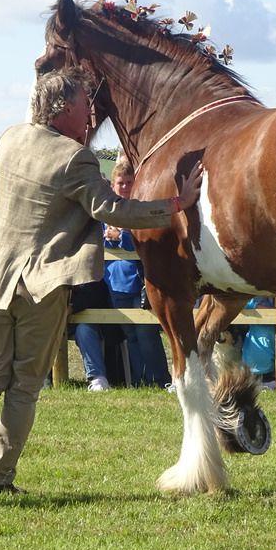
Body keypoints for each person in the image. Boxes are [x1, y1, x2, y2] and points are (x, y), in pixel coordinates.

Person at [0, 67, 203, 504]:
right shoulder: (75, 158)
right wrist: (176, 205)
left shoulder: (8, 140)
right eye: (84, 106)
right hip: (39, 285)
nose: (90, 116)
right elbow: (113, 209)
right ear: (63, 109)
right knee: (24, 385)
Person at [103, 159, 172, 387]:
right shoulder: (107, 210)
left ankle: (161, 380)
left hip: (140, 282)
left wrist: (121, 237)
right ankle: (140, 381)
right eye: (120, 183)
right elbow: (103, 239)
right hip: (115, 282)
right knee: (130, 335)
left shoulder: (141, 209)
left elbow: (143, 242)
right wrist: (117, 239)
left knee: (146, 334)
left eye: (129, 182)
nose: (124, 187)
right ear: (113, 185)